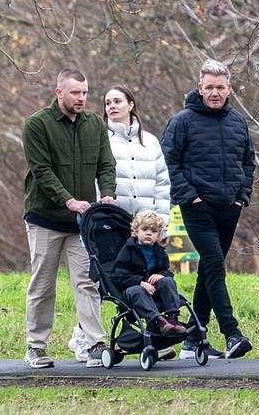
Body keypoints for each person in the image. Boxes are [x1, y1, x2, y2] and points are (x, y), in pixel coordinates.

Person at [67, 85, 176, 362]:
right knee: (107, 282)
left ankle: (153, 334)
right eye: (106, 103)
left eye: (117, 101)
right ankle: (84, 336)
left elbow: (162, 184)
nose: (111, 106)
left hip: (145, 227)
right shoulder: (100, 139)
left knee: (149, 280)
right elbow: (93, 177)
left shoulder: (149, 142)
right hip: (110, 226)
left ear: (131, 104)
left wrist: (161, 224)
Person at [22, 68, 117, 369]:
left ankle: (94, 344)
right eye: (75, 92)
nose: (82, 98)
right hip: (45, 218)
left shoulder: (95, 125)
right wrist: (69, 200)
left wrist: (108, 194)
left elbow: (106, 164)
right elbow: (42, 171)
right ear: (59, 92)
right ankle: (36, 347)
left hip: (81, 223)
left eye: (85, 92)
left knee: (88, 282)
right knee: (43, 284)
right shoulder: (37, 125)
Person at [161, 58, 255, 359]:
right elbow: (168, 163)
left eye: (220, 87)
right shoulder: (182, 121)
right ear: (200, 89)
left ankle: (193, 339)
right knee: (215, 265)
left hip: (230, 207)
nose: (215, 92)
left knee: (207, 271)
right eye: (209, 87)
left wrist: (243, 195)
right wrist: (189, 196)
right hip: (197, 207)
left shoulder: (238, 122)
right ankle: (232, 333)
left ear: (229, 89)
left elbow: (248, 161)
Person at [111, 210, 187, 335]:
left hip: (156, 291)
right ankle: (158, 320)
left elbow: (166, 271)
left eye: (153, 231)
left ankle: (173, 318)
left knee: (167, 280)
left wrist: (160, 275)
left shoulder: (159, 251)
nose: (148, 233)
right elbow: (117, 275)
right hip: (135, 291)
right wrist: (140, 282)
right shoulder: (128, 249)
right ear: (136, 231)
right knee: (136, 290)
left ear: (158, 235)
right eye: (144, 229)